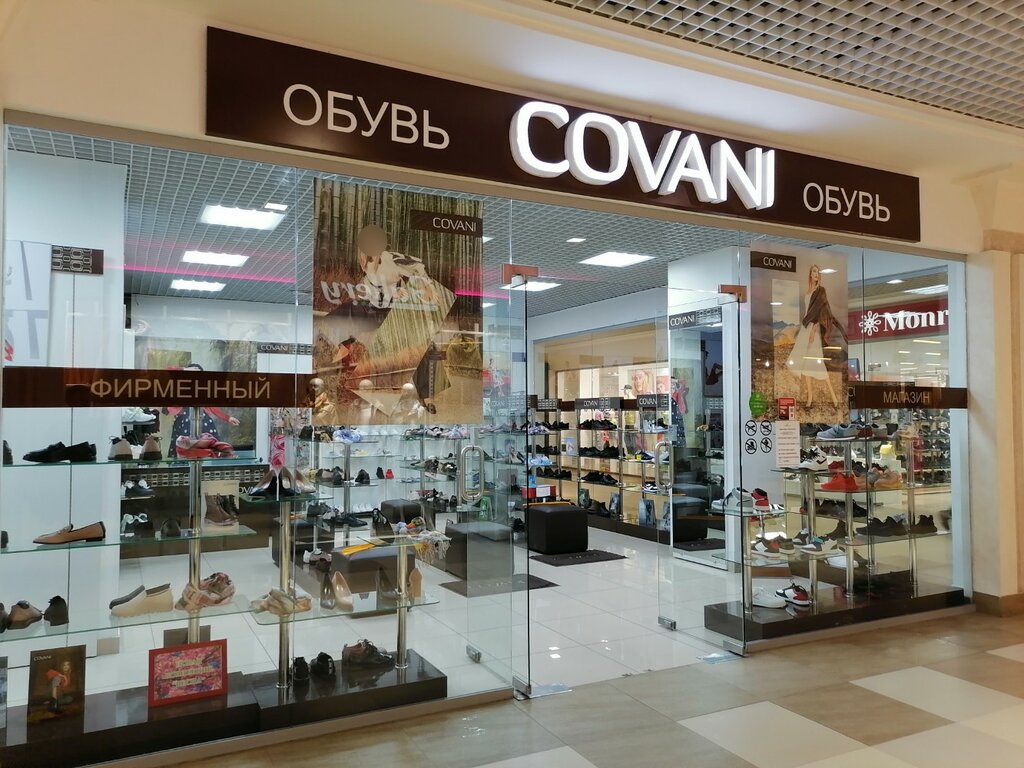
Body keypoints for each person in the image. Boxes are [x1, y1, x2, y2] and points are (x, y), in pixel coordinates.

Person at [786, 264, 846, 406]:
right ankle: (810, 398)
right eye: (814, 271)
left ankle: (834, 397)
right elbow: (808, 313)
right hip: (805, 328)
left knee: (816, 359)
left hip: (813, 328)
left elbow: (821, 313)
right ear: (810, 274)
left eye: (818, 272)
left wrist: (813, 330)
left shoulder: (821, 291)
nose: (816, 274)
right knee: (805, 363)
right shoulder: (808, 291)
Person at [165, 363, 240, 457]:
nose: (194, 376)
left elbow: (212, 406)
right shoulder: (180, 386)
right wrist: (185, 369)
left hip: (202, 420)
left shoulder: (203, 388)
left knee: (210, 446)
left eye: (197, 374)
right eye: (191, 373)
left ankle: (222, 456)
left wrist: (227, 418)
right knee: (184, 450)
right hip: (183, 422)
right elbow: (167, 371)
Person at [356, 224, 438, 309]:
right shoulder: (367, 278)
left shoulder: (391, 259)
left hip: (413, 294)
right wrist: (393, 294)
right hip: (395, 306)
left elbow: (418, 265)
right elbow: (378, 301)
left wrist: (427, 284)